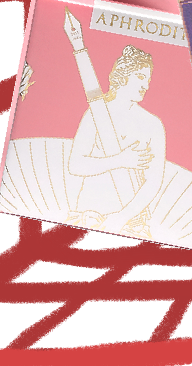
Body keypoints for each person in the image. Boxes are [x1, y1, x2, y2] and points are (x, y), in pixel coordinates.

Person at [66, 45, 165, 238]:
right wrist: (120, 160)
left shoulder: (153, 125)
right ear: (124, 75)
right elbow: (75, 165)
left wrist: (121, 218)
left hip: (132, 222)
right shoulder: (95, 113)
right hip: (88, 214)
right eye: (140, 77)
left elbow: (154, 181)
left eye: (148, 80)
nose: (146, 86)